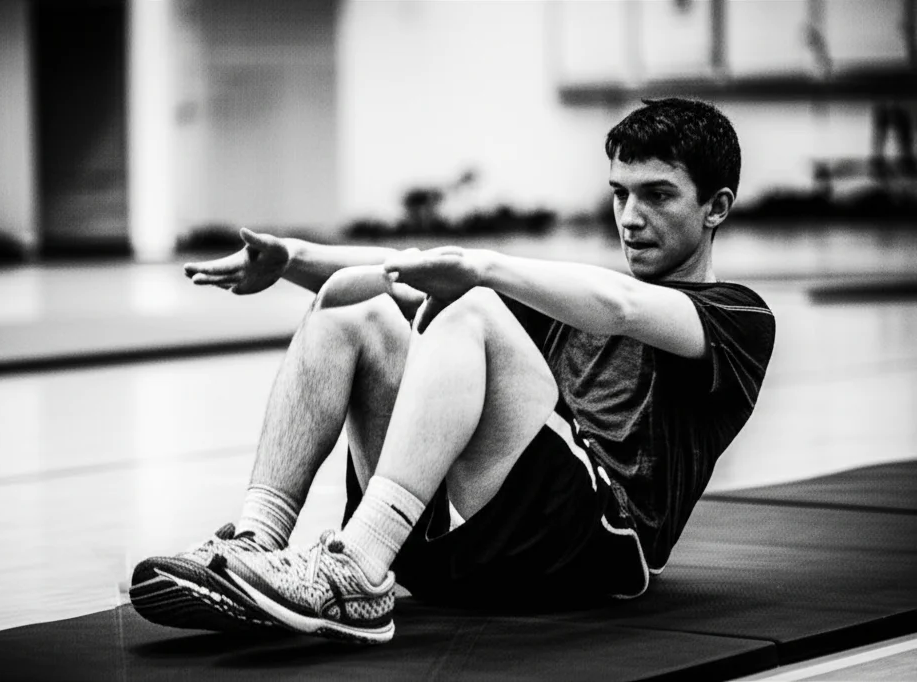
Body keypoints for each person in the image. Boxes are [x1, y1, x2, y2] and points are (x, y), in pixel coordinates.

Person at [130, 98, 776, 644]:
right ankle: (254, 544)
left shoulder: (738, 319)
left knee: (473, 306)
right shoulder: (570, 306)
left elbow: (623, 307)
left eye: (657, 196)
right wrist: (294, 258)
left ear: (716, 207)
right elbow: (404, 270)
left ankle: (358, 566)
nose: (631, 218)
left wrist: (479, 269)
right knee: (352, 306)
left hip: (591, 552)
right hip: (474, 550)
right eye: (620, 195)